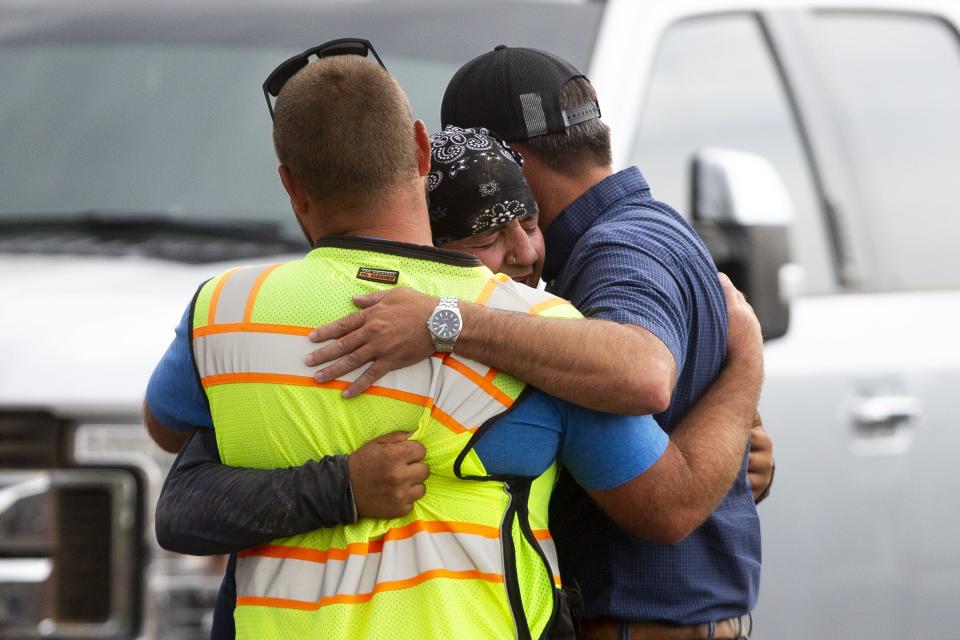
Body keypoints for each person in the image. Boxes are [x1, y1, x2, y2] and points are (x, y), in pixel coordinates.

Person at [147, 89, 763, 640]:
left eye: (528, 225)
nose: (523, 253)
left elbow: (170, 451)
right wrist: (742, 370)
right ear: (420, 149)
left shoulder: (229, 311)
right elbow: (670, 501)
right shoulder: (544, 339)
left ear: (290, 184)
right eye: (490, 235)